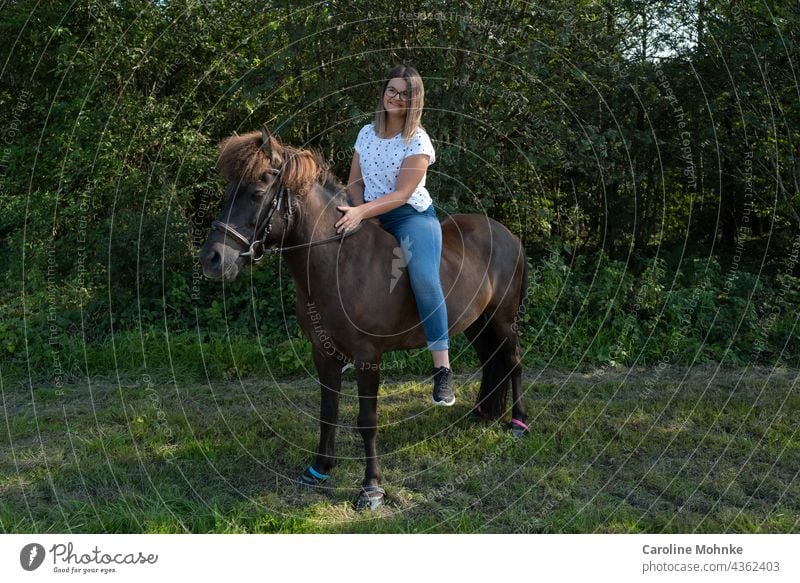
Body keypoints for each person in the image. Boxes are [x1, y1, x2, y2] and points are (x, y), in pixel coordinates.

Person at [334, 64, 455, 406]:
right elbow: (355, 183)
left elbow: (402, 194)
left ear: (414, 100)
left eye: (405, 93)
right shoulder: (366, 133)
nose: (396, 97)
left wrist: (362, 213)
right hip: (369, 213)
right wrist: (357, 213)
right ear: (383, 91)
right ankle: (347, 347)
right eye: (392, 90)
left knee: (425, 279)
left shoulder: (417, 139)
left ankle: (442, 369)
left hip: (409, 217)